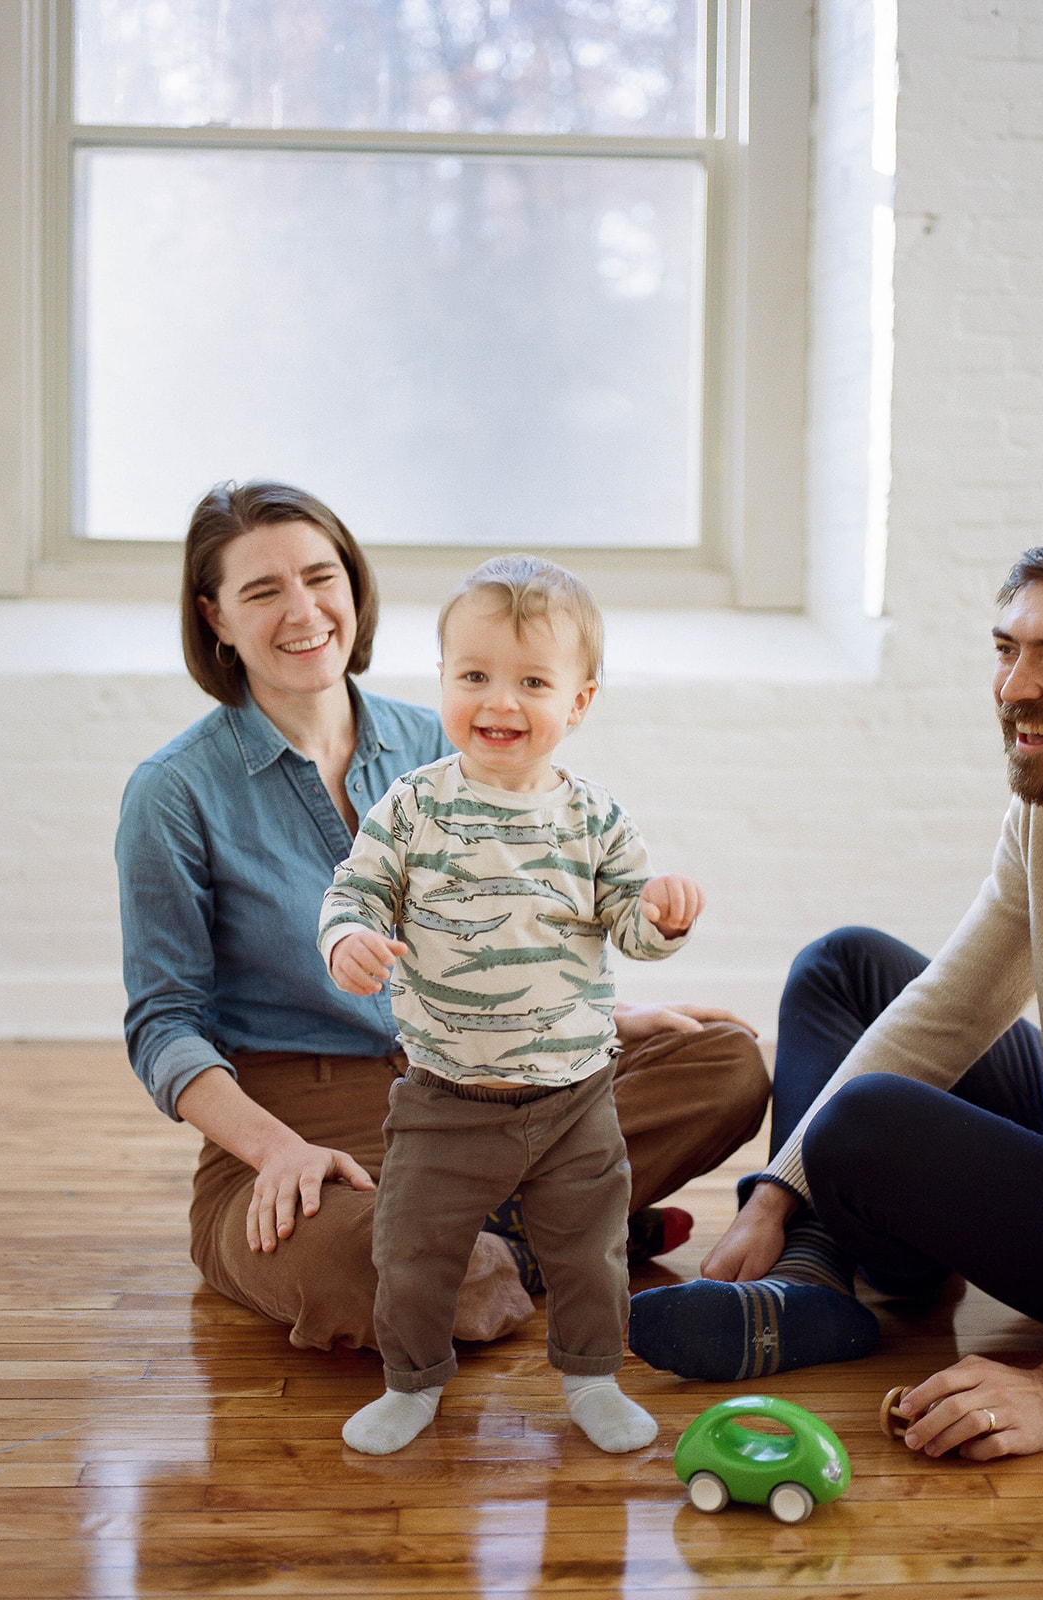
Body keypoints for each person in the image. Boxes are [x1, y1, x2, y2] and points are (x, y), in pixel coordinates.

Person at [117, 480, 770, 1360]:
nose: (303, 611)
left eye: (321, 577)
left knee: (722, 1064)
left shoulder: (441, 741)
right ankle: (545, 1236)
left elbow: (517, 922)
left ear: (353, 587)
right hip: (305, 1122)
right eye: (263, 591)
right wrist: (276, 1153)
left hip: (488, 1075)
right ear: (217, 619)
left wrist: (605, 1022)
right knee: (370, 1271)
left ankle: (497, 1233)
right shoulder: (173, 793)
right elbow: (164, 1024)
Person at [630, 529, 1043, 1462]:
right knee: (844, 965)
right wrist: (773, 1196)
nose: (1015, 687)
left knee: (866, 1121)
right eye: (1006, 649)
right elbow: (953, 1005)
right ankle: (815, 1272)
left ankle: (840, 1261)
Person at [320, 555, 703, 1455]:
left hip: (573, 1096)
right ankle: (411, 1382)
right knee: (411, 1249)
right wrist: (347, 941)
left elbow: (629, 928)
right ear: (444, 682)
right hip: (445, 1096)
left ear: (578, 702)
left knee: (589, 1253)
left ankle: (590, 1376)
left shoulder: (596, 821)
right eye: (475, 676)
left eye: (532, 681)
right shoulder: (412, 806)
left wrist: (661, 916)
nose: (500, 701)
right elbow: (355, 892)